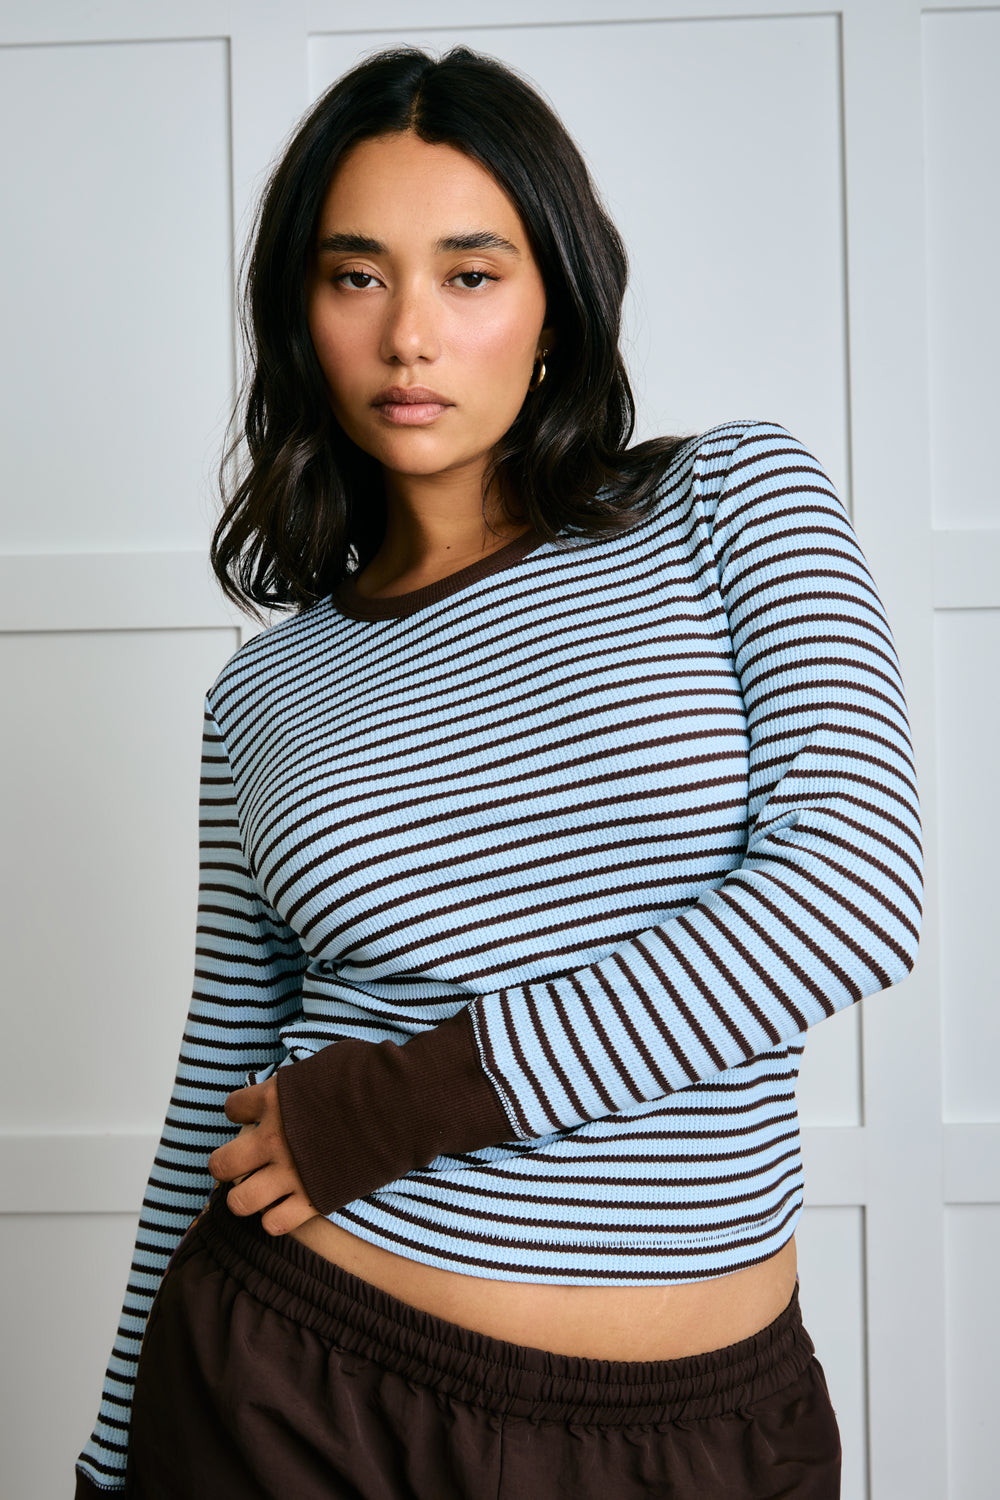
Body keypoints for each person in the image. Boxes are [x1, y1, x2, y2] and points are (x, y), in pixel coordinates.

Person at [76, 44, 921, 1500]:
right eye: (356, 277)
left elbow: (848, 896)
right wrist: (104, 1458)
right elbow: (222, 1064)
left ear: (555, 305)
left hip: (714, 1426)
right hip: (304, 1390)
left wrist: (404, 1102)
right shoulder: (264, 691)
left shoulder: (728, 502)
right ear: (299, 316)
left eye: (470, 273)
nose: (411, 334)